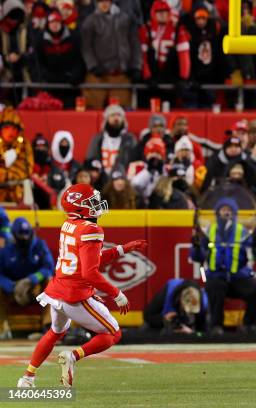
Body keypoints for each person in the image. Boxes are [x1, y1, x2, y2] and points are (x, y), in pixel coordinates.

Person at [16, 183, 147, 388]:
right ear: (79, 207)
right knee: (113, 333)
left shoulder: (69, 224)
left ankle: (27, 377)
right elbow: (90, 272)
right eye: (91, 202)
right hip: (74, 294)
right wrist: (117, 293)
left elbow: (88, 261)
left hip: (57, 290)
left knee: (55, 332)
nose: (96, 204)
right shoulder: (92, 229)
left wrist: (122, 249)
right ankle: (73, 356)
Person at [190, 198, 256, 336]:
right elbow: (197, 257)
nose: (226, 212)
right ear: (217, 212)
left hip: (239, 276)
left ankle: (248, 325)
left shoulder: (242, 231)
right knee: (214, 288)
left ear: (234, 213)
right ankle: (216, 326)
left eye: (229, 210)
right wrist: (195, 246)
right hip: (216, 275)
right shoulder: (209, 231)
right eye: (223, 209)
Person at [80, 0, 141, 108]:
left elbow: (135, 44)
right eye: (100, 2)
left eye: (106, 1)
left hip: (121, 74)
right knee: (93, 108)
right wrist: (92, 65)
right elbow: (86, 47)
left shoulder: (125, 19)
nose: (104, 4)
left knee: (121, 110)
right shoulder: (90, 21)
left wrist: (135, 66)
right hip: (98, 75)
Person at [0, 218, 54, 340]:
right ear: (14, 234)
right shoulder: (5, 249)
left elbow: (48, 267)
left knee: (50, 282)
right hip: (11, 291)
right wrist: (11, 286)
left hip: (33, 289)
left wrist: (31, 280)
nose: (24, 238)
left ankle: (48, 327)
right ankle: (2, 328)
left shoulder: (39, 245)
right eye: (21, 235)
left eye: (26, 234)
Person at [139, 0, 191, 104]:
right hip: (152, 78)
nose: (163, 14)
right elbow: (142, 56)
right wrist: (147, 76)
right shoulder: (146, 30)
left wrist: (183, 78)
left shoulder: (178, 30)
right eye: (159, 12)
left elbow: (184, 56)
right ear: (154, 13)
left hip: (171, 78)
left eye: (165, 11)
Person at [86, 105, 137, 175]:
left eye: (119, 115)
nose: (116, 118)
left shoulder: (130, 139)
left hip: (123, 179)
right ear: (106, 119)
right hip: (100, 178)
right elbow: (90, 160)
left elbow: (135, 161)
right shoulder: (97, 139)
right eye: (112, 115)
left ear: (123, 119)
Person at [0, 109, 33, 204]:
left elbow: (26, 170)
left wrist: (7, 176)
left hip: (18, 194)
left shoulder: (24, 145)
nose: (10, 132)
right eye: (6, 128)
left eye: (13, 129)